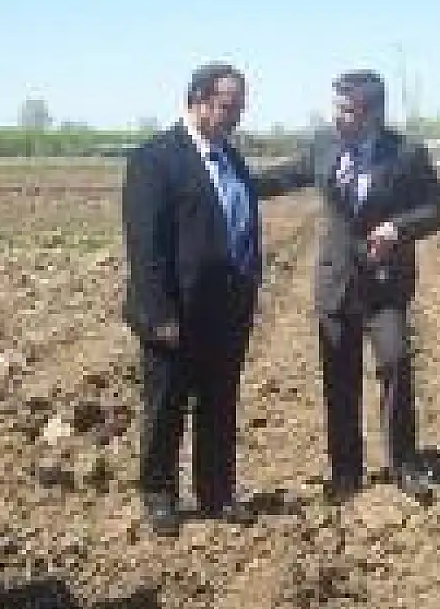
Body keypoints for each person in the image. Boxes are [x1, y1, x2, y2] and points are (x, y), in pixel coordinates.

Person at [253, 70, 440, 506]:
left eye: (347, 109)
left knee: (396, 363)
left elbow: (439, 208)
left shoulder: (407, 153)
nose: (338, 116)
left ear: (373, 113)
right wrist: (232, 181)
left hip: (385, 285)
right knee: (339, 379)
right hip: (336, 282)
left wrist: (398, 228)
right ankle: (346, 470)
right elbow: (285, 177)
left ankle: (404, 463)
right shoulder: (324, 145)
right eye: (337, 107)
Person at [121, 62, 261, 535]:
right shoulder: (156, 159)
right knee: (166, 404)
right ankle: (159, 494)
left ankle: (217, 493)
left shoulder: (232, 158)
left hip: (226, 310)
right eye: (227, 106)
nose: (235, 117)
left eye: (240, 108)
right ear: (198, 101)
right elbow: (145, 245)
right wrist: (158, 313)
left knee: (219, 405)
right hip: (175, 312)